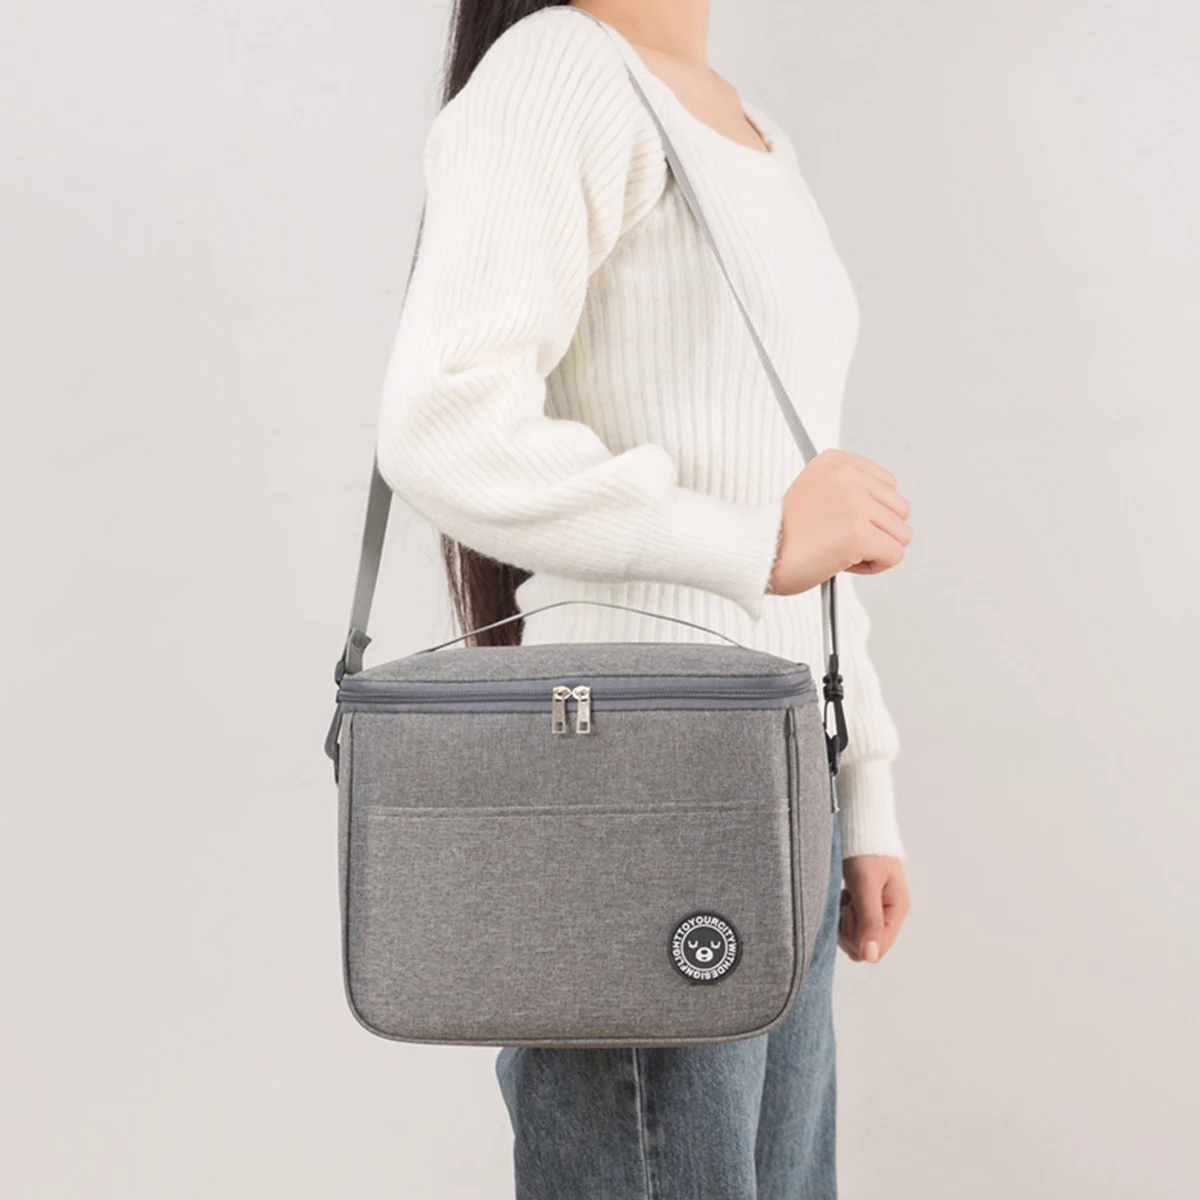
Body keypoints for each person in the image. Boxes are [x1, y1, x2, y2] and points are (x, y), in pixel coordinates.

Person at [374, 1, 913, 1194]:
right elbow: (440, 421)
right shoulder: (563, 70)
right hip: (633, 780)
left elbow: (795, 487)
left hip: (778, 767)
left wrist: (861, 790)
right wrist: (753, 540)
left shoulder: (747, 125)